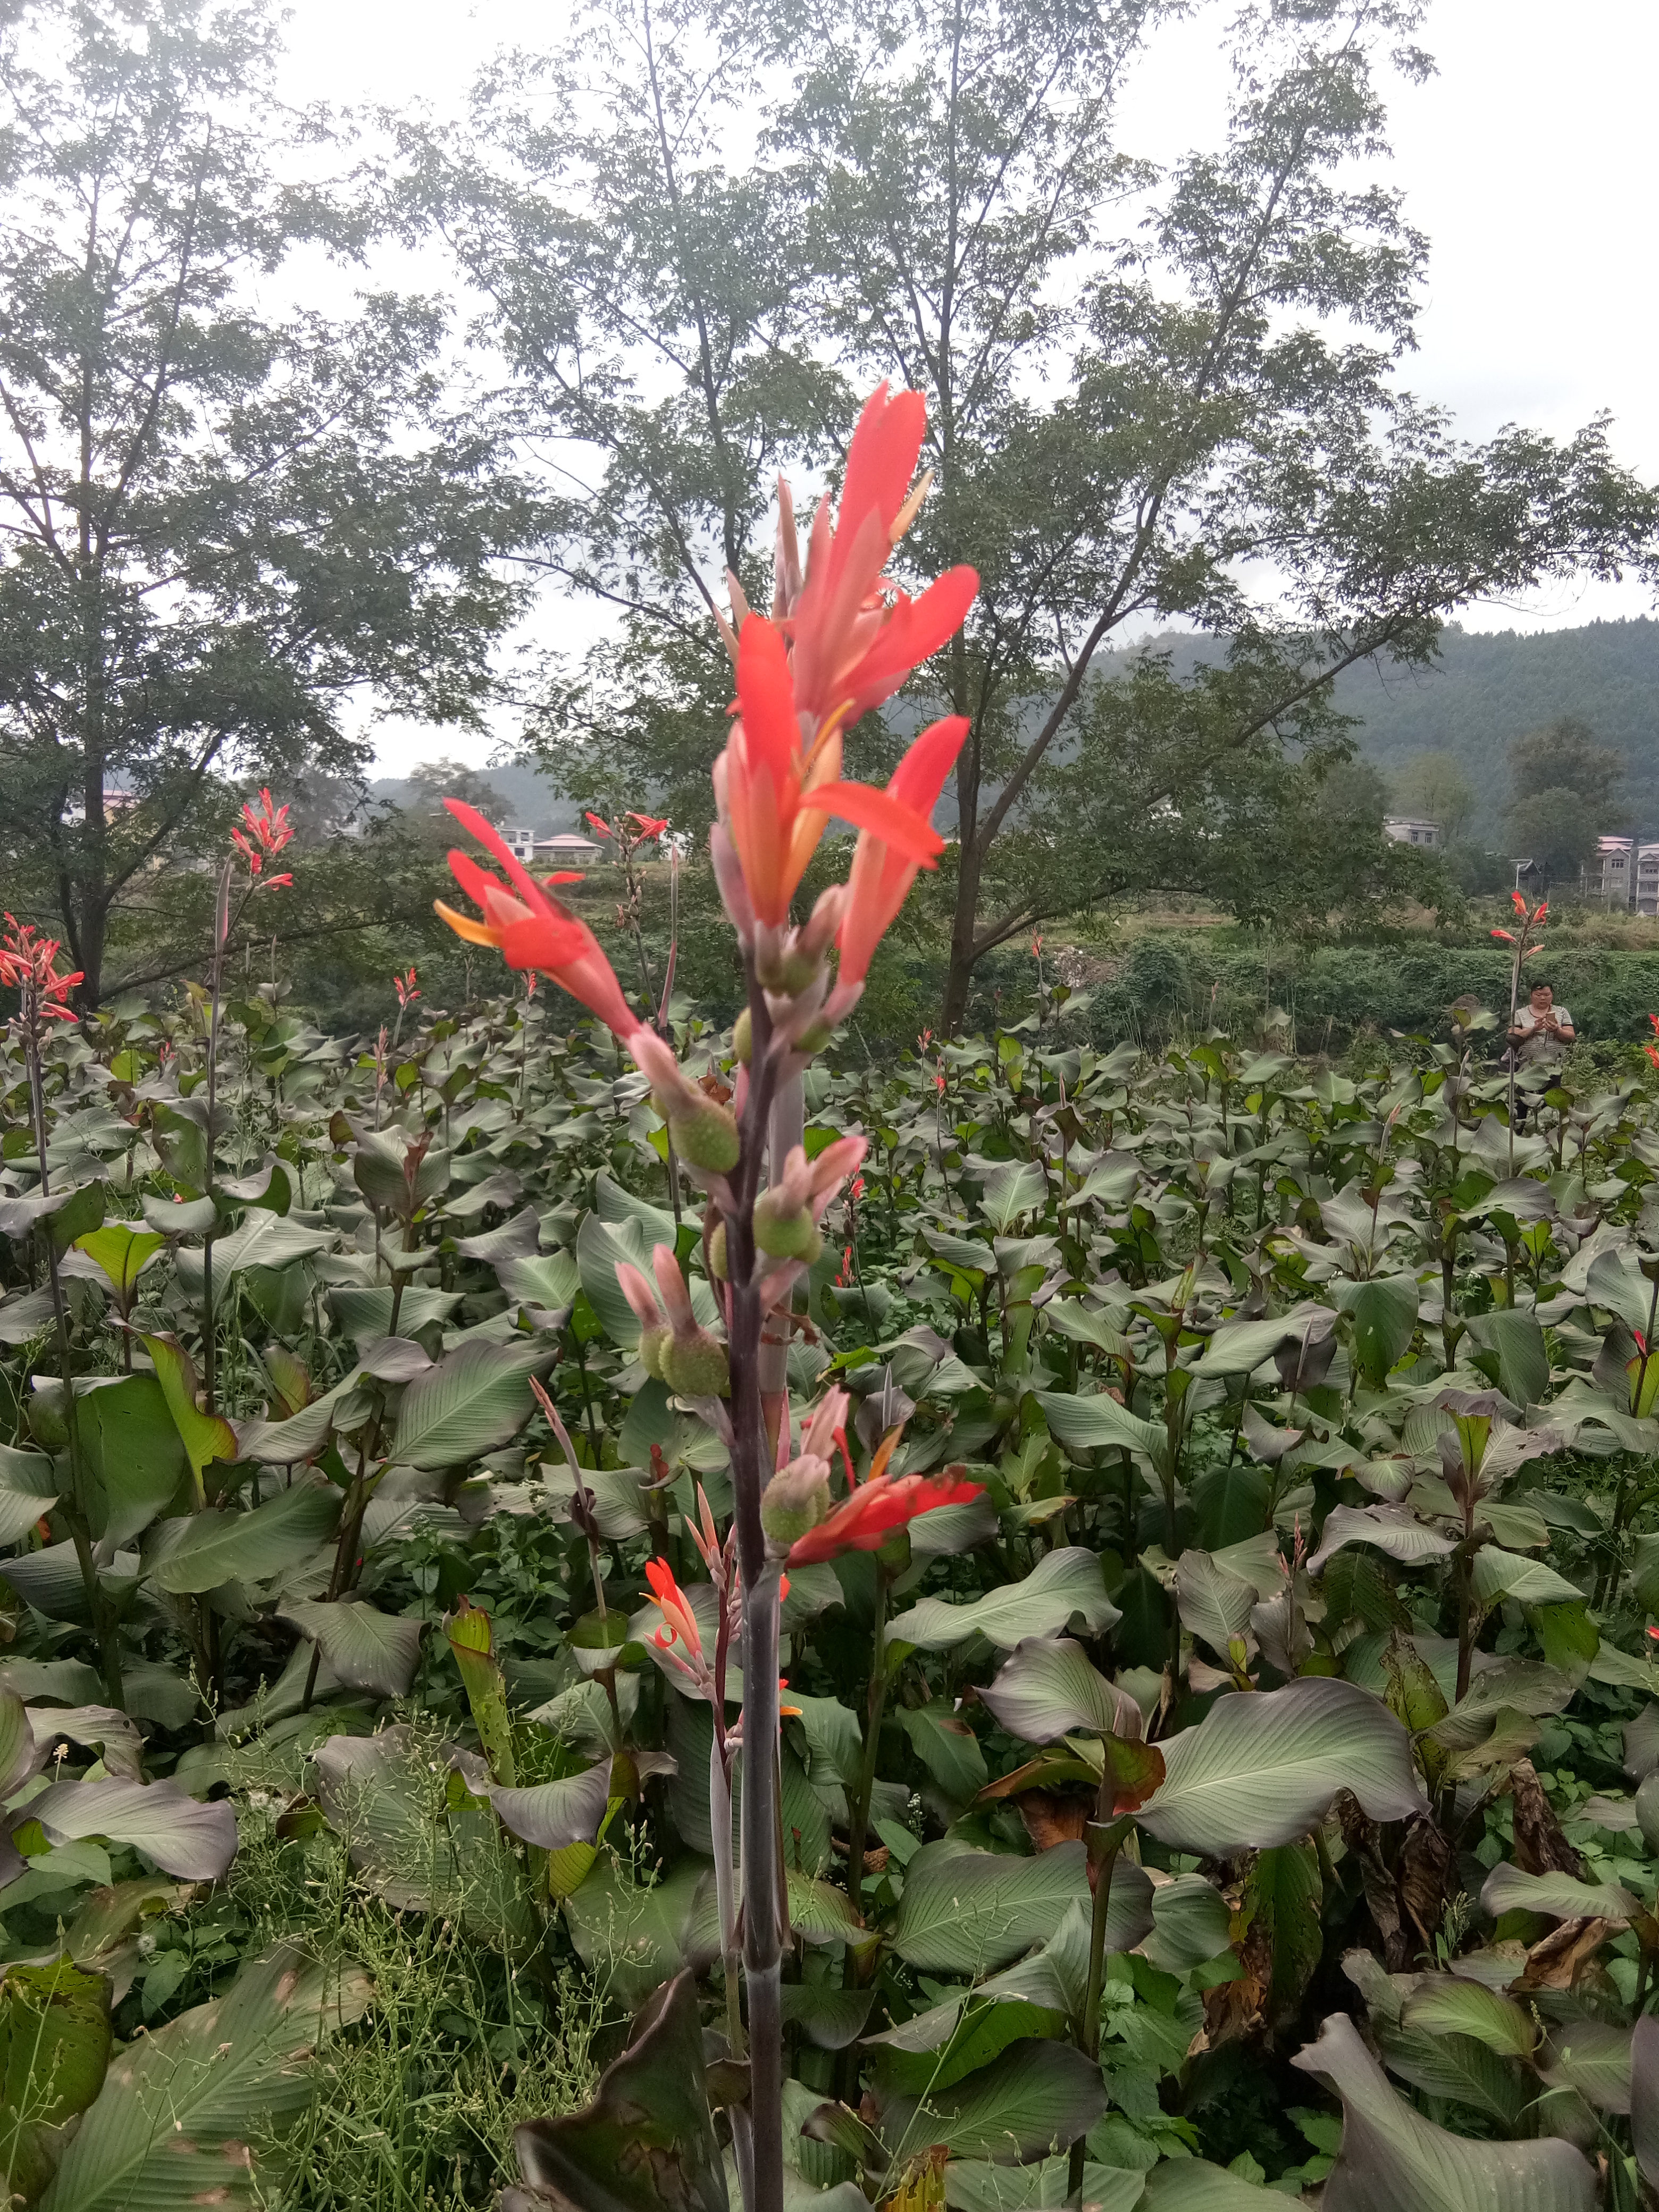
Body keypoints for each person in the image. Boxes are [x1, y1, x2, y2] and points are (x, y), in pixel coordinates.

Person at [1506, 981, 1574, 1120]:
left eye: (1546, 995)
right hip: (1525, 1068)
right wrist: (1533, 1030)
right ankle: (1518, 1133)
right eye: (1538, 995)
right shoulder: (1520, 1014)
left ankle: (1546, 1134)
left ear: (1552, 996)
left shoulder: (1561, 1012)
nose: (1543, 998)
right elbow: (1511, 1035)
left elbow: (1571, 1036)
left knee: (1549, 1107)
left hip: (1553, 1068)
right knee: (1520, 1106)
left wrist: (1557, 1030)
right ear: (1531, 996)